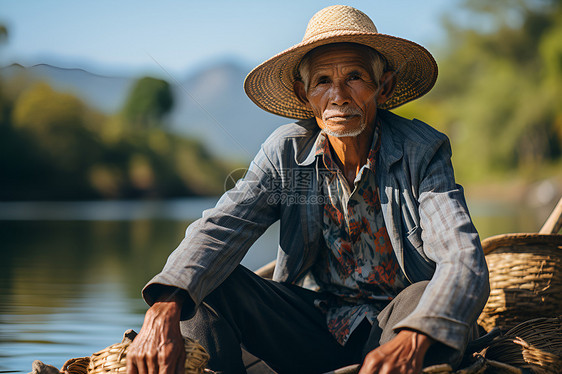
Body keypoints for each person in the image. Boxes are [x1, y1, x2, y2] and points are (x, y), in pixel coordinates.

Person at [126, 5, 489, 374]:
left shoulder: (421, 152)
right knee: (207, 285)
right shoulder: (285, 152)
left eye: (355, 77)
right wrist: (165, 306)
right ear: (304, 94)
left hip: (399, 327)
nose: (339, 96)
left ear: (384, 86)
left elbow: (462, 257)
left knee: (422, 294)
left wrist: (416, 334)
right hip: (316, 327)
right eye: (322, 82)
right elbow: (222, 226)